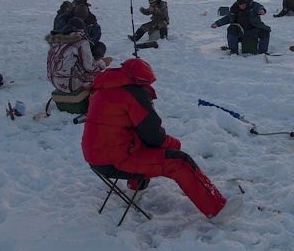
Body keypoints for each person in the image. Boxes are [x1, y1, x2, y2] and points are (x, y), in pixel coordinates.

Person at [81, 58, 243, 222]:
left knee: (146, 144)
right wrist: (173, 146)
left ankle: (136, 189)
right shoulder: (134, 93)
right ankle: (216, 209)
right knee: (180, 162)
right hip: (115, 161)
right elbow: (154, 137)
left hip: (96, 159)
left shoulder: (103, 89)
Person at [46, 17, 112, 93]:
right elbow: (90, 67)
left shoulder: (56, 40)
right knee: (101, 77)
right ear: (81, 29)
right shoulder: (80, 41)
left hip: (54, 81)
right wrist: (103, 62)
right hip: (69, 84)